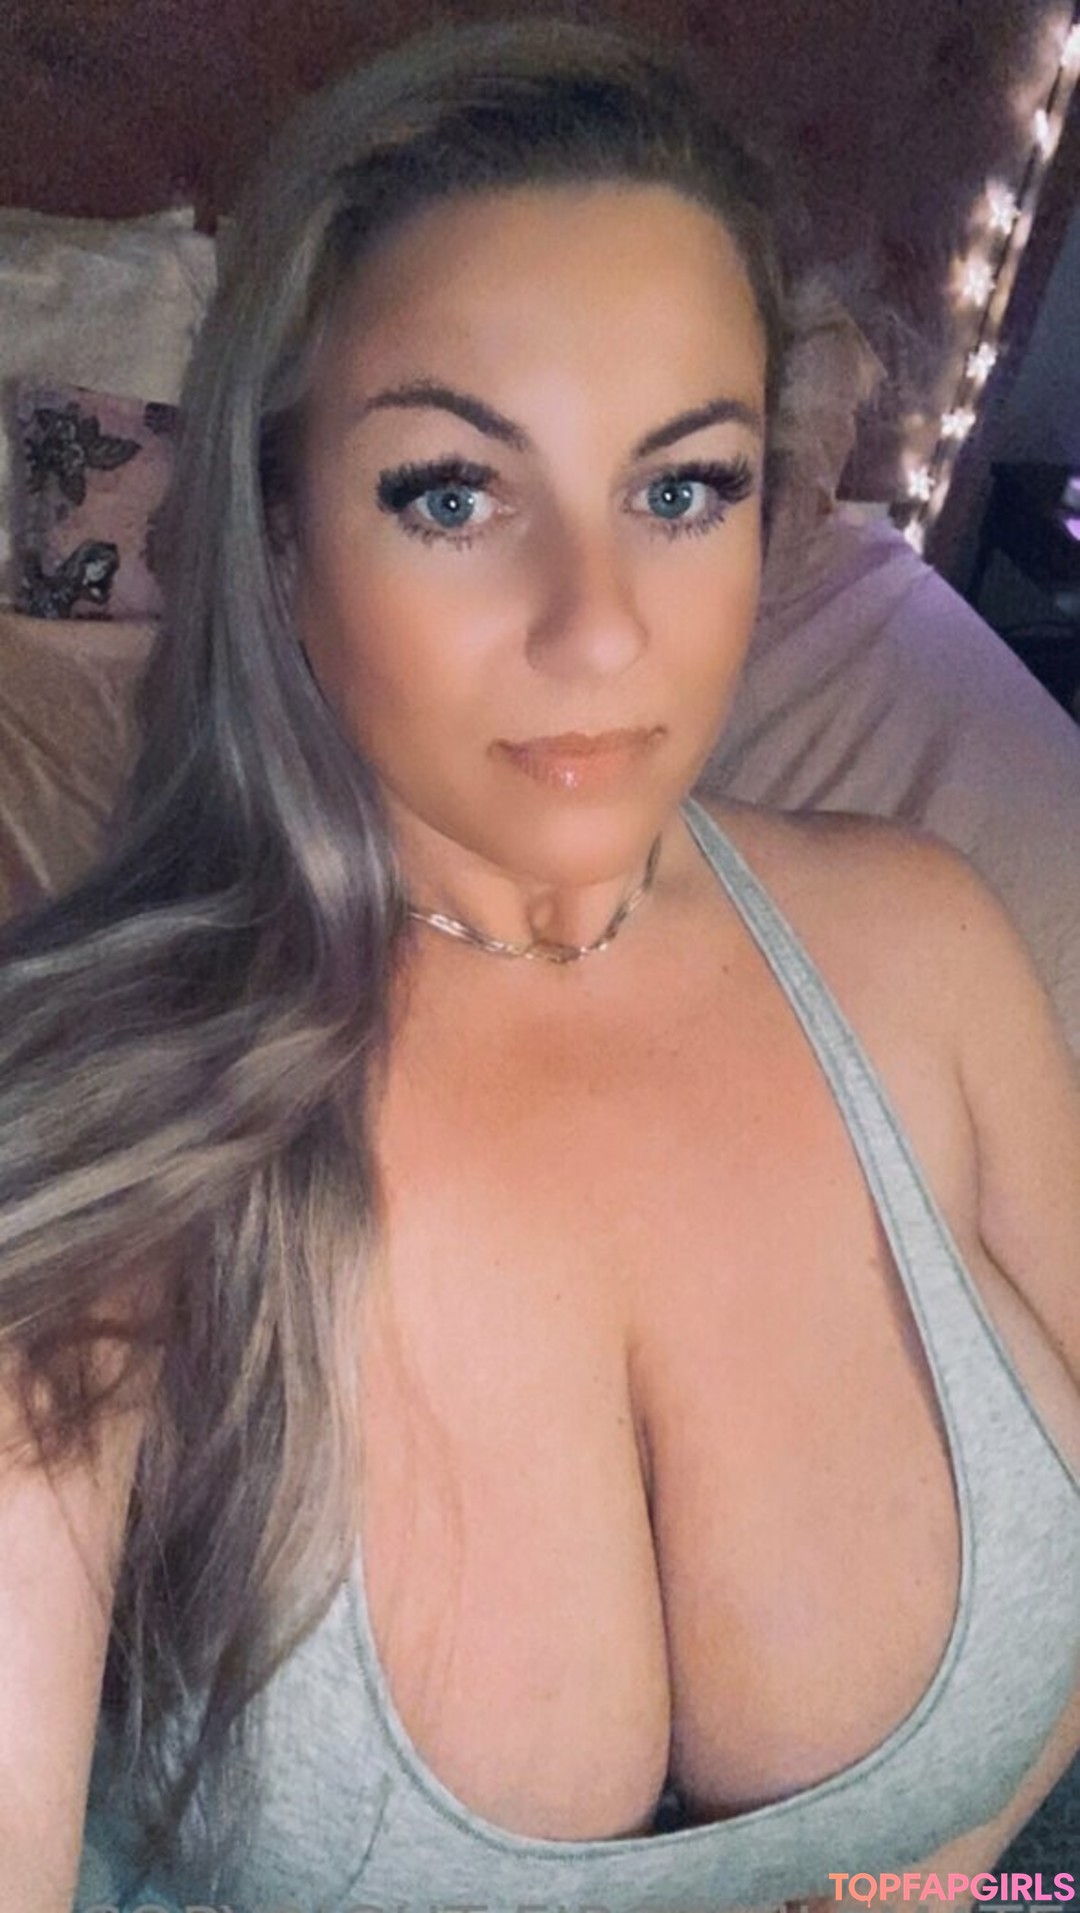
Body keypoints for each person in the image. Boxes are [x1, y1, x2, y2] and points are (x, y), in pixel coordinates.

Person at [0, 20, 1075, 1913]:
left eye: (682, 488)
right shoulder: (104, 1134)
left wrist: (939, 1885)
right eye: (451, 492)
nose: (596, 632)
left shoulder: (937, 950)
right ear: (280, 534)